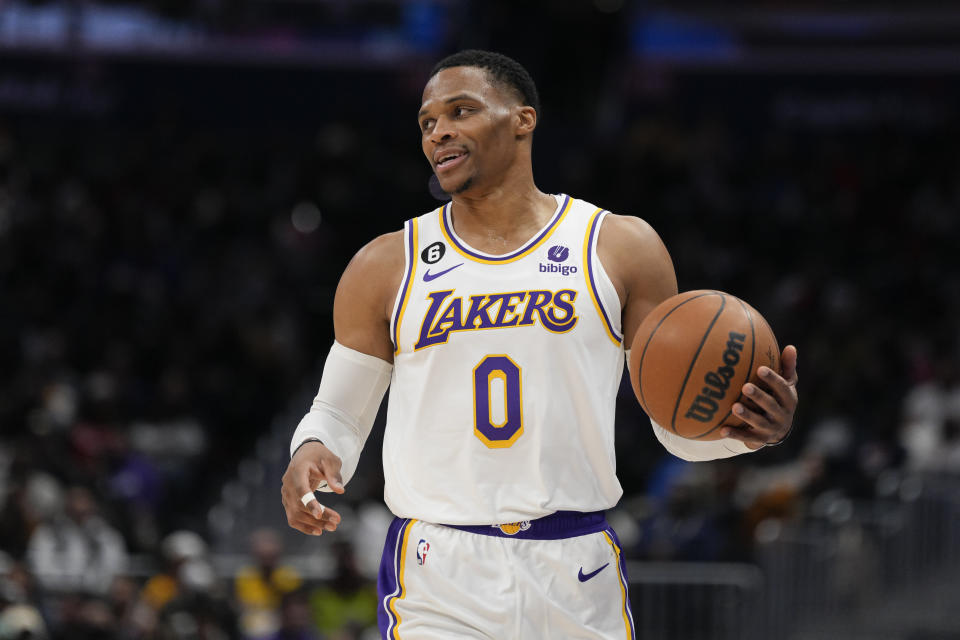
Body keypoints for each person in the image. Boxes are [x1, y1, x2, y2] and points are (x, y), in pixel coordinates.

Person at [280, 49, 799, 639]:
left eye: (461, 110)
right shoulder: (386, 264)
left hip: (576, 564)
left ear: (522, 119)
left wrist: (745, 433)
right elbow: (339, 412)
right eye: (427, 121)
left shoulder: (619, 247)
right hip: (438, 569)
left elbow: (675, 427)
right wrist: (312, 450)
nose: (439, 130)